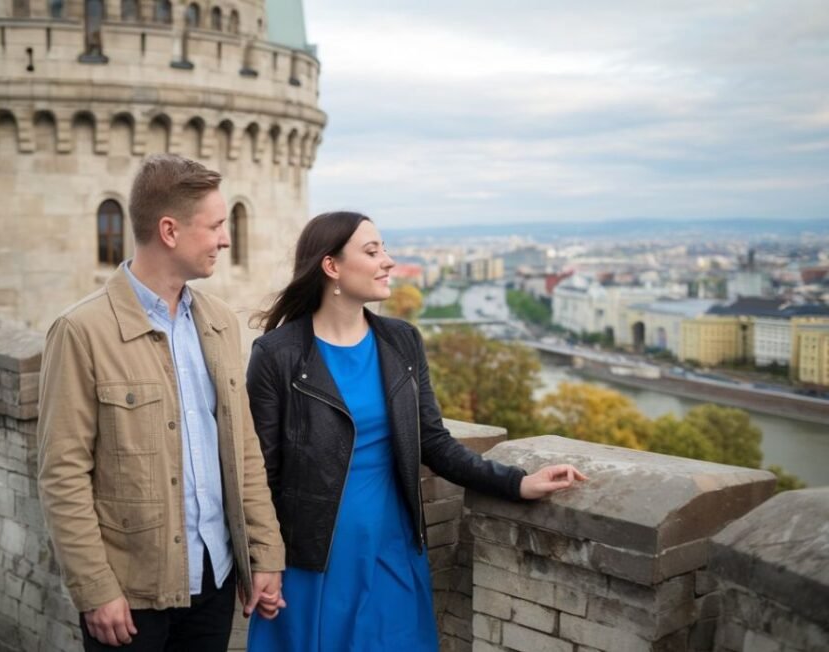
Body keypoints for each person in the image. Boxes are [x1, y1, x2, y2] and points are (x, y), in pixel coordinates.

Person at [245, 211, 586, 651]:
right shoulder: (277, 355)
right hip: (314, 558)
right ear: (331, 267)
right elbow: (259, 475)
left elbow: (434, 442)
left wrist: (517, 482)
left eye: (384, 248)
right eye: (372, 251)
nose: (388, 261)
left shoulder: (402, 341)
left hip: (394, 546)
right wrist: (263, 560)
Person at [36, 154, 286, 651]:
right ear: (169, 230)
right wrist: (95, 589)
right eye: (215, 225)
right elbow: (62, 473)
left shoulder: (218, 321)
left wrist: (265, 554)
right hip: (132, 595)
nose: (225, 238)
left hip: (215, 578)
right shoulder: (82, 331)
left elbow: (243, 452)